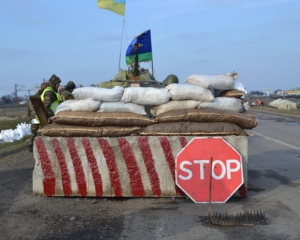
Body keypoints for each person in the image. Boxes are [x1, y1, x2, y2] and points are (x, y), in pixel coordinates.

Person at [27, 81, 49, 152]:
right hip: (39, 117)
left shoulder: (33, 97)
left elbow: (28, 109)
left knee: (33, 133)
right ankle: (39, 147)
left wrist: (30, 116)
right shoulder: (43, 96)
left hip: (33, 117)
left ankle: (31, 142)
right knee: (40, 133)